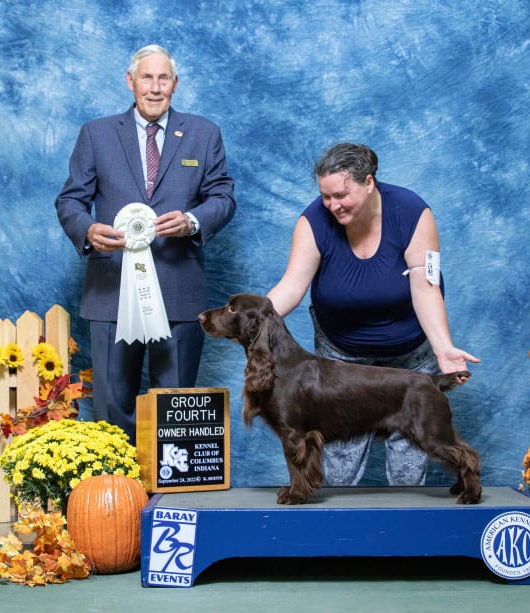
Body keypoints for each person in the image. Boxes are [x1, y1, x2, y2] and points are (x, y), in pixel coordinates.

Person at [267, 143, 478, 486]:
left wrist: (443, 348)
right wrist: (254, 317)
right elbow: (292, 285)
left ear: (369, 182)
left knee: (410, 467)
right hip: (341, 361)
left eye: (341, 195)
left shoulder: (412, 213)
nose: (332, 206)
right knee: (336, 470)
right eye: (325, 196)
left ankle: (403, 533)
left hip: (408, 358)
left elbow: (426, 287)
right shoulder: (313, 222)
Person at [55, 44, 236, 444]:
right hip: (111, 289)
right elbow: (70, 200)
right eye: (146, 77)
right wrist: (86, 229)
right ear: (130, 81)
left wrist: (192, 221)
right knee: (112, 406)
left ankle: (166, 496)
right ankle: (118, 496)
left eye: (163, 78)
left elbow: (222, 198)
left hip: (180, 290)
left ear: (175, 83)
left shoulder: (204, 133)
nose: (155, 88)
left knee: (174, 405)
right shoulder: (96, 134)